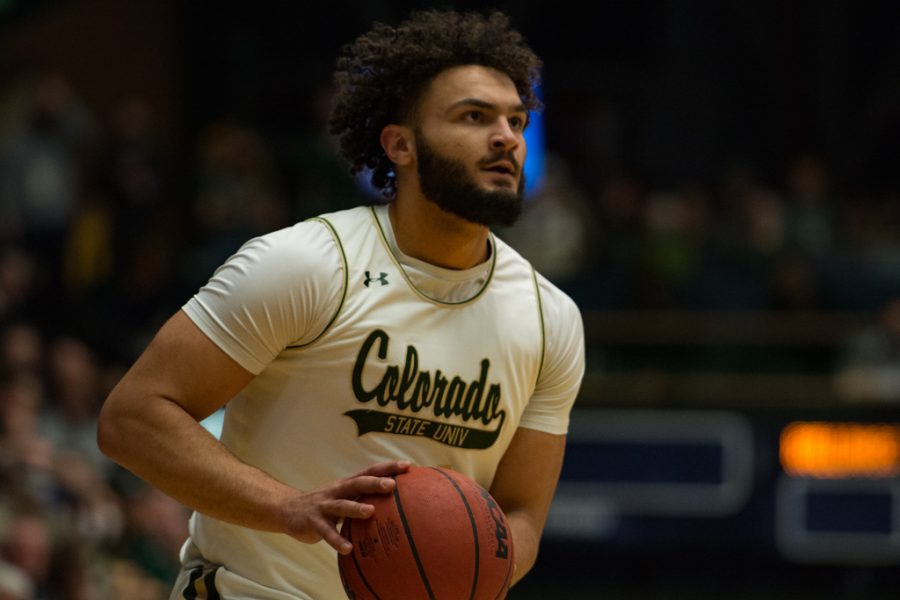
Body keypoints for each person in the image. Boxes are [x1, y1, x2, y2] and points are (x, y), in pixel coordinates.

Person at [98, 9, 585, 599]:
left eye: (516, 120)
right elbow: (132, 419)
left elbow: (523, 515)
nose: (507, 136)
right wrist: (288, 508)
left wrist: (472, 574)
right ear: (400, 144)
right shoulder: (306, 264)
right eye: (475, 117)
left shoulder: (550, 318)